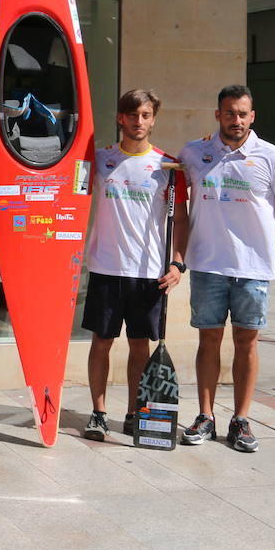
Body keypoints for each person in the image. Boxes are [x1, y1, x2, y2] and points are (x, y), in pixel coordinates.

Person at [179, 84, 275, 453]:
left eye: (243, 113)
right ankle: (205, 416)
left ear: (253, 116)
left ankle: (241, 420)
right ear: (218, 115)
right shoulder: (194, 153)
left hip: (253, 269)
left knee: (247, 342)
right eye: (229, 113)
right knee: (209, 340)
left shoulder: (272, 157)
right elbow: (172, 198)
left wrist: (262, 239)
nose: (236, 120)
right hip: (208, 265)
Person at [81, 89, 189, 441]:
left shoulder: (168, 167)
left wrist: (177, 263)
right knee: (101, 342)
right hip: (106, 268)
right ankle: (98, 414)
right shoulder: (100, 160)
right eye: (131, 115)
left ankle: (134, 413)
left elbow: (182, 219)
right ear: (120, 118)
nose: (138, 121)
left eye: (144, 115)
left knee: (140, 346)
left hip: (148, 274)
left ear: (153, 118)